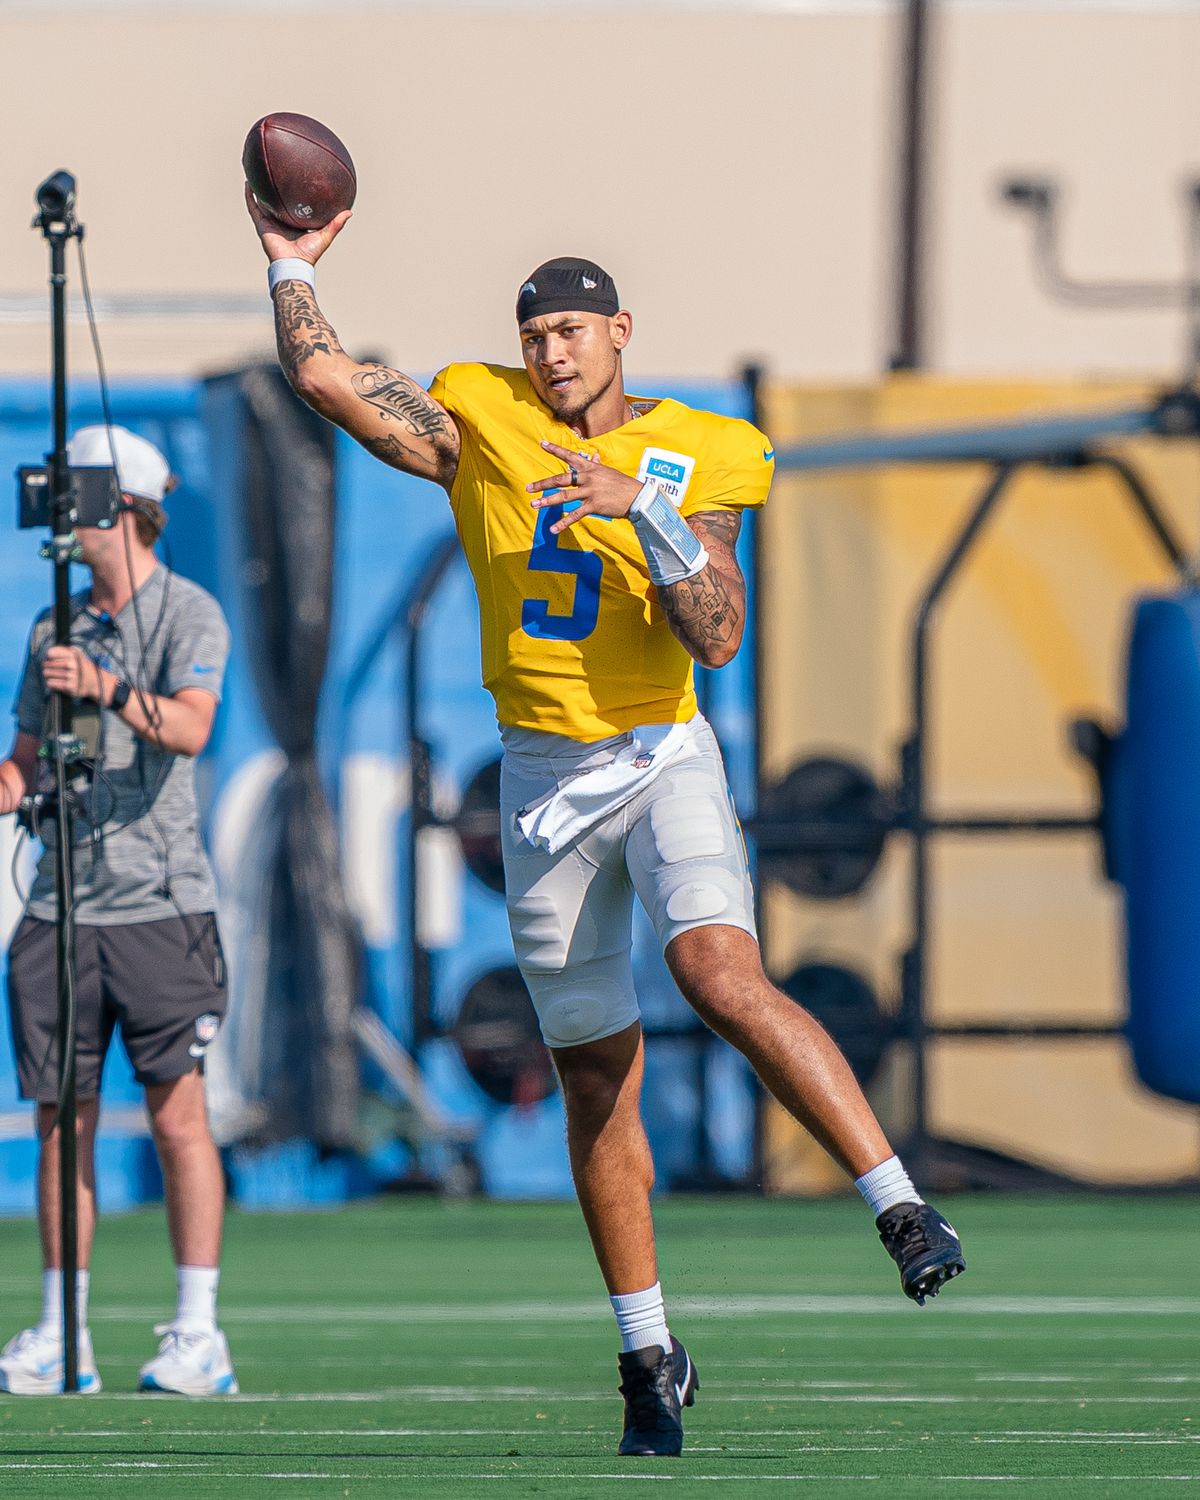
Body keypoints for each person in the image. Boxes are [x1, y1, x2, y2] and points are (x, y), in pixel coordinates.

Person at [246, 192, 966, 1456]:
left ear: (623, 331)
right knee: (596, 1082)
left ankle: (900, 1205)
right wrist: (290, 260)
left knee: (720, 973)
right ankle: (648, 1350)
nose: (555, 352)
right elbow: (325, 379)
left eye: (577, 329)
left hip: (661, 747)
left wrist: (642, 507)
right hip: (540, 777)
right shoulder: (485, 414)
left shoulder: (704, 448)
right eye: (539, 335)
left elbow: (720, 632)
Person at [0, 425, 238, 1397]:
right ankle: (65, 1329)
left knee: (180, 1120)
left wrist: (106, 686)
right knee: (62, 1121)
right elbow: (23, 754)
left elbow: (188, 727)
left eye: (76, 495)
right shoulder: (49, 627)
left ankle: (198, 1331)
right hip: (60, 905)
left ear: (124, 503)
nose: (63, 516)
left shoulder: (189, 611)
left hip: (160, 907)